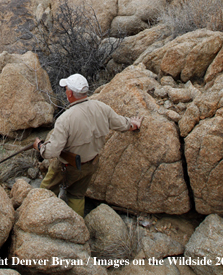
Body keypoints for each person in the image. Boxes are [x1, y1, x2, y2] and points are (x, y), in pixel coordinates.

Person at [33, 73, 143, 217]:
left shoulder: (65, 119)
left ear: (70, 93)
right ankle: (77, 225)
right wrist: (134, 125)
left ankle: (38, 216)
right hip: (90, 164)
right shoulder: (102, 108)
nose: (66, 91)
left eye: (66, 89)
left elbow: (51, 152)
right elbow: (123, 125)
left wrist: (39, 146)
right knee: (77, 195)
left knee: (46, 189)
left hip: (67, 166)